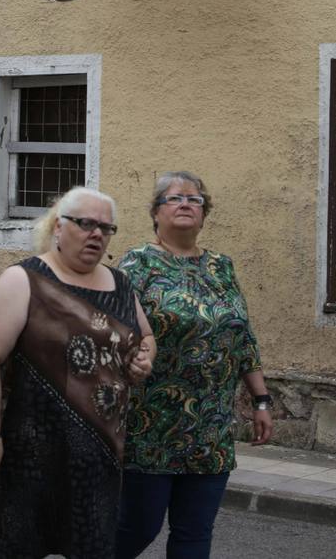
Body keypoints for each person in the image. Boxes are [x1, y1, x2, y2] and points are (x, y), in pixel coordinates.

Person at [0, 186, 155, 559]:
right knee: (21, 549)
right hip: (30, 454)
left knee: (92, 549)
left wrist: (144, 358)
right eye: (85, 223)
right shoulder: (23, 280)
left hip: (99, 457)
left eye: (106, 227)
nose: (97, 234)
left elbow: (145, 335)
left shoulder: (120, 285)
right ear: (58, 226)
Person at [115, 171, 273, 559]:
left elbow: (243, 336)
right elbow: (116, 333)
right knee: (138, 527)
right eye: (175, 198)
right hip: (151, 425)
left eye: (195, 199)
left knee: (195, 532)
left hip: (210, 428)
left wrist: (261, 399)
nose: (186, 203)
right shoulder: (137, 264)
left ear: (204, 215)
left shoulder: (222, 267)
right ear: (155, 213)